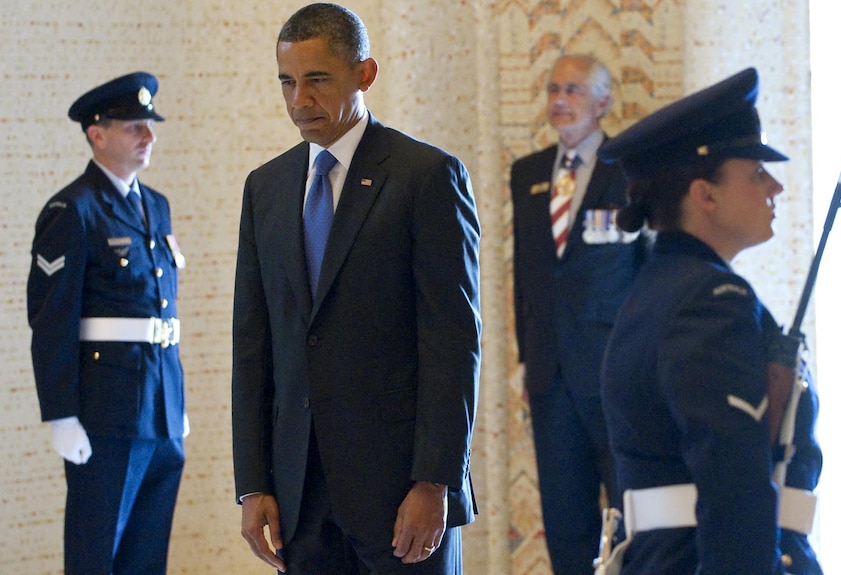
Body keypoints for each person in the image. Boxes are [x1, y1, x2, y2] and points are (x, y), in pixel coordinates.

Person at [231, 3, 481, 574]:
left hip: (401, 496)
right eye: (287, 82)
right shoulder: (265, 188)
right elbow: (252, 345)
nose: (300, 100)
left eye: (317, 80)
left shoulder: (427, 176)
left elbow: (452, 343)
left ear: (364, 75)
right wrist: (253, 484)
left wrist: (435, 481)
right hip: (299, 495)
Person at [597, 67, 823, 574]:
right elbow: (733, 482)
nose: (777, 186)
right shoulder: (710, 299)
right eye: (757, 173)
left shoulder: (663, 289)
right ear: (705, 194)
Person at [27, 71, 188, 575]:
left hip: (161, 408)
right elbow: (52, 320)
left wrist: (175, 401)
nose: (149, 136)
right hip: (106, 411)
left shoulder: (155, 206)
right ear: (97, 133)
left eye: (150, 125)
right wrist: (60, 414)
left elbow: (160, 311)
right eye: (134, 126)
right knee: (96, 553)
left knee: (147, 553)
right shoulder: (72, 211)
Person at [509, 54, 645, 574]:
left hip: (617, 374)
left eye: (574, 90)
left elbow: (646, 270)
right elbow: (526, 275)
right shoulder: (528, 174)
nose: (560, 100)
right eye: (553, 89)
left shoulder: (632, 167)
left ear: (603, 102)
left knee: (633, 512)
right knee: (565, 520)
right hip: (549, 378)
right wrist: (528, 361)